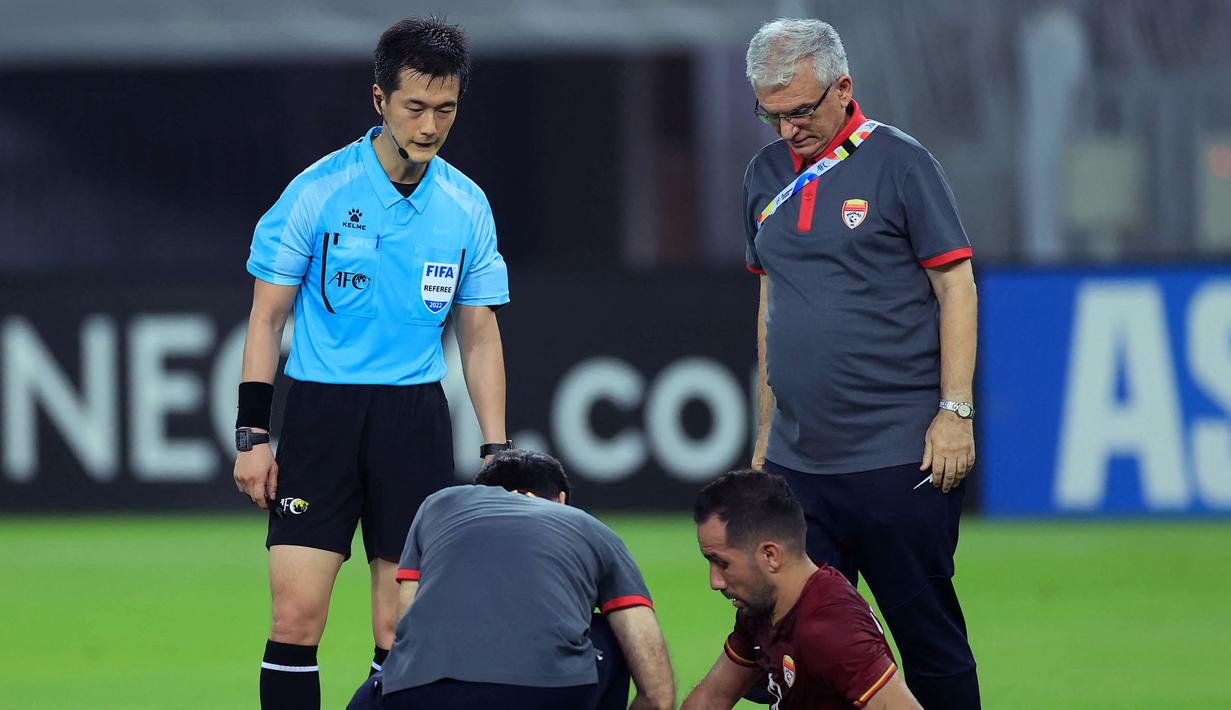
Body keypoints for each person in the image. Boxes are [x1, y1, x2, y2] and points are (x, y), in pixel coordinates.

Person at [231, 16, 513, 709]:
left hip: (412, 420)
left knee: (402, 628)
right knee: (296, 618)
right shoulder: (317, 191)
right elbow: (266, 318)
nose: (429, 124)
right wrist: (253, 436)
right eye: (414, 107)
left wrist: (498, 449)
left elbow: (476, 333)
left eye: (444, 109)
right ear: (379, 99)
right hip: (322, 412)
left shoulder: (465, 205)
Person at [741, 18, 981, 708]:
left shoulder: (903, 164)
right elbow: (770, 309)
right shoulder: (760, 176)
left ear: (843, 88)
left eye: (800, 111)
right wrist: (763, 443)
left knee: (926, 639)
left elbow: (955, 286)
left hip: (898, 459)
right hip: (797, 465)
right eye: (770, 113)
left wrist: (954, 412)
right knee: (790, 653)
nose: (786, 130)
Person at [346, 450, 676, 710]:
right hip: (549, 693)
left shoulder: (439, 505)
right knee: (611, 633)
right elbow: (658, 693)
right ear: (560, 500)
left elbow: (405, 624)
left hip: (422, 694)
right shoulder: (590, 527)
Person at [682, 470, 920, 709]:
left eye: (722, 564)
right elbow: (711, 698)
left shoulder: (832, 629)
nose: (715, 582)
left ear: (770, 555)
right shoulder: (761, 608)